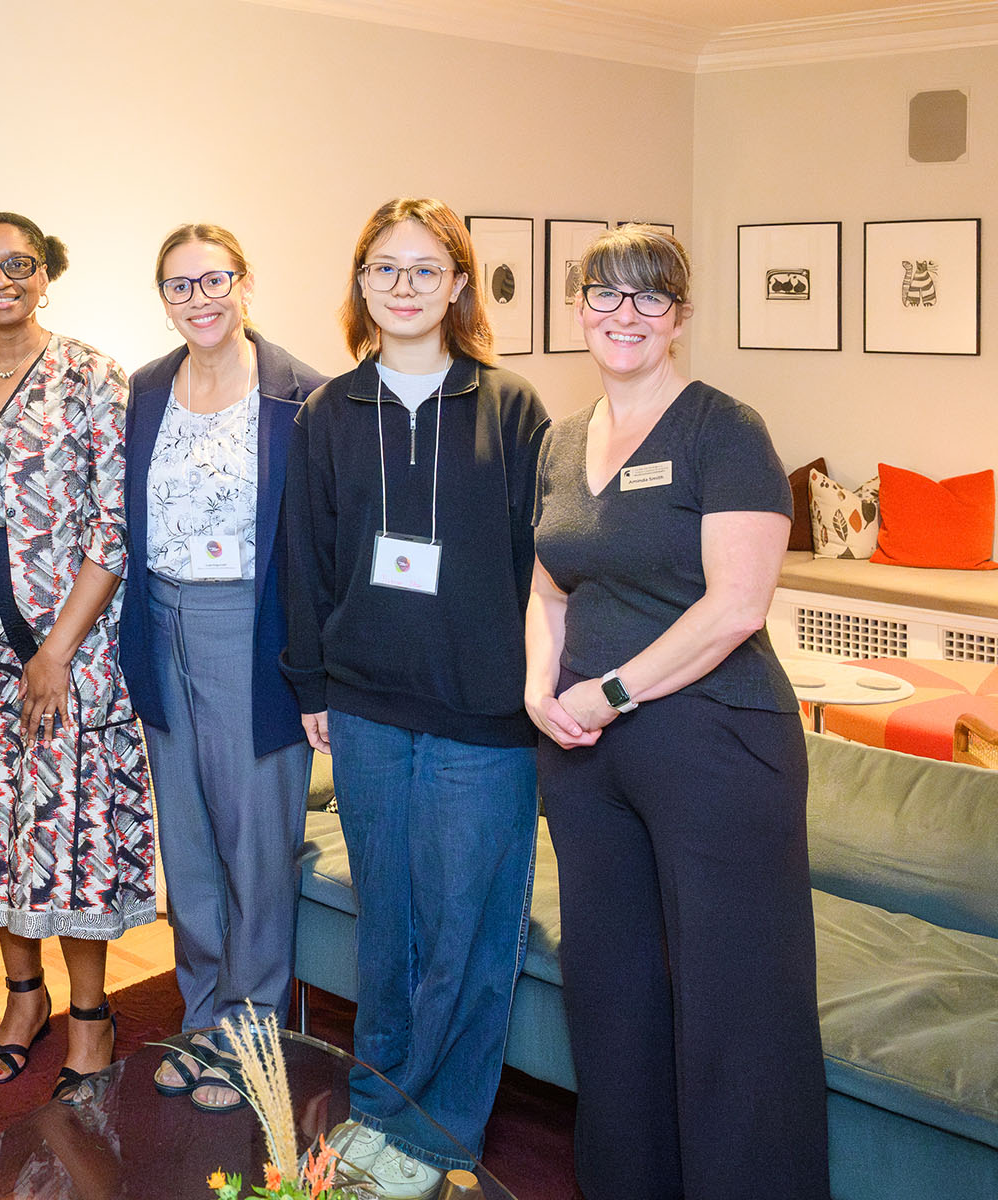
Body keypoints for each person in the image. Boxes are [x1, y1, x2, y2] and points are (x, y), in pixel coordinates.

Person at [524, 226, 828, 1200]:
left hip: (717, 744)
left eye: (648, 297)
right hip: (582, 755)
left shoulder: (723, 429)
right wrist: (539, 687)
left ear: (680, 317)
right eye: (604, 295)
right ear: (578, 308)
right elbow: (549, 589)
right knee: (611, 999)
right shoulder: (562, 441)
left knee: (738, 1010)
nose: (624, 314)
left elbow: (736, 605)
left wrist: (610, 690)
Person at [283, 198, 548, 1198]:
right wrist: (311, 682)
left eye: (424, 268)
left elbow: (541, 567)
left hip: (486, 716)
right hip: (365, 711)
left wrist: (539, 685)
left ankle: (435, 1133)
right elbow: (303, 561)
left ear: (459, 283)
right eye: (384, 269)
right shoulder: (329, 411)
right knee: (386, 922)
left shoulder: (511, 408)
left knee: (469, 933)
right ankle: (379, 1103)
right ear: (360, 287)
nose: (403, 284)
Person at [0, 211, 155, 1106]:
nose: (1, 279)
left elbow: (112, 522)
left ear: (46, 273)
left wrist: (57, 651)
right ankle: (23, 1003)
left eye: (19, 264)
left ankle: (92, 1015)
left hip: (76, 651)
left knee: (71, 835)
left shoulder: (94, 378)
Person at [119, 223, 323, 1111]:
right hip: (160, 618)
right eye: (178, 286)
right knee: (190, 839)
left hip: (253, 627)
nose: (198, 299)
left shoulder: (301, 397)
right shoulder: (146, 389)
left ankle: (251, 1030)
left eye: (214, 280)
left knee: (256, 839)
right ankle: (201, 1014)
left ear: (246, 282)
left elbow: (320, 547)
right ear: (161, 297)